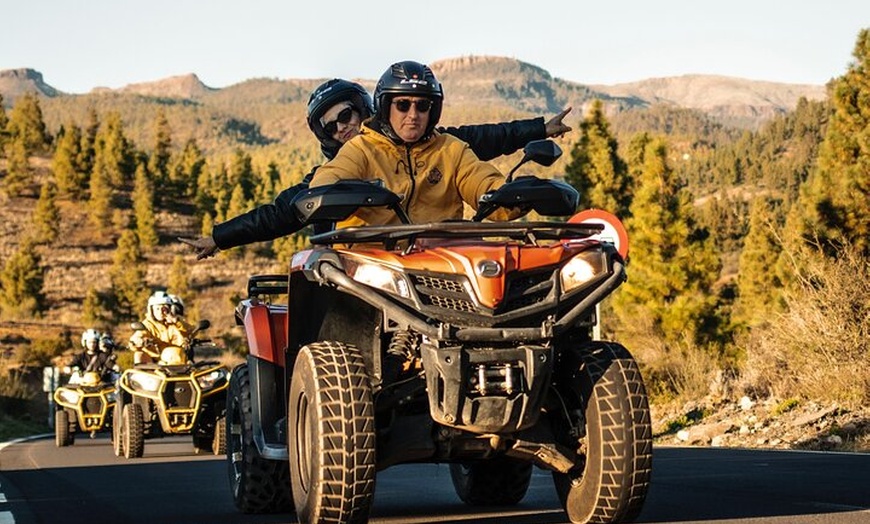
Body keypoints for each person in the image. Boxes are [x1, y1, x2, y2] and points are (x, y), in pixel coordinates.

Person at [179, 77, 571, 259]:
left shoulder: (437, 143)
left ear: (366, 108)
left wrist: (536, 131)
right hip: (362, 264)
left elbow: (481, 142)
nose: (342, 127)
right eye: (330, 125)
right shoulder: (333, 172)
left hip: (440, 254)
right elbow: (280, 214)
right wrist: (220, 237)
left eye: (346, 114)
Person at [308, 60, 527, 228]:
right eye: (403, 105)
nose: (413, 115)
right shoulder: (361, 149)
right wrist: (341, 194)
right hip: (370, 261)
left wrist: (517, 195)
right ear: (385, 108)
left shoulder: (451, 150)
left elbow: (482, 183)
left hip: (438, 259)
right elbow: (329, 178)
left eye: (422, 106)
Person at [129, 291, 194, 364]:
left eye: (164, 309)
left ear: (170, 309)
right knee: (138, 355)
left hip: (175, 360)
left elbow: (191, 332)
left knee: (173, 353)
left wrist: (176, 322)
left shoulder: (177, 322)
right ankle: (140, 375)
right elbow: (136, 338)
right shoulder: (147, 324)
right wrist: (140, 341)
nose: (160, 312)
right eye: (157, 309)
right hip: (154, 363)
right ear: (151, 310)